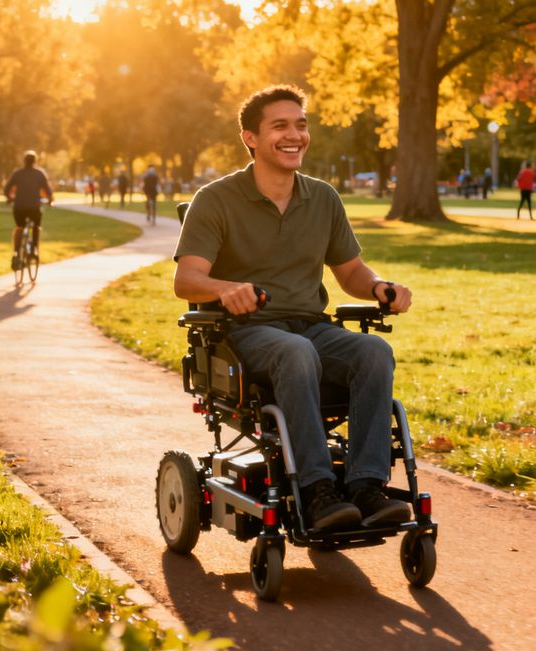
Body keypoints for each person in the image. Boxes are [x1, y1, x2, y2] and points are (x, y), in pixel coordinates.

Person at [173, 84, 414, 532]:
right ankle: (317, 490)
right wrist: (226, 289)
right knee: (295, 352)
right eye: (279, 126)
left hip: (310, 327)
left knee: (373, 351)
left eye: (300, 125)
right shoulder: (216, 199)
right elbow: (186, 279)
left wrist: (381, 286)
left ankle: (365, 486)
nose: (294, 135)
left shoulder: (322, 198)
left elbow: (351, 271)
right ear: (250, 137)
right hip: (245, 334)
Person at [3, 150, 54, 267]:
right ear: (35, 161)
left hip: (19, 207)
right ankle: (34, 249)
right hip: (34, 207)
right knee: (36, 226)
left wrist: (9, 198)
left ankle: (16, 252)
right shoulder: (39, 174)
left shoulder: (17, 173)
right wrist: (50, 201)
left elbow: (7, 189)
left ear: (24, 161)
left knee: (19, 227)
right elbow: (48, 191)